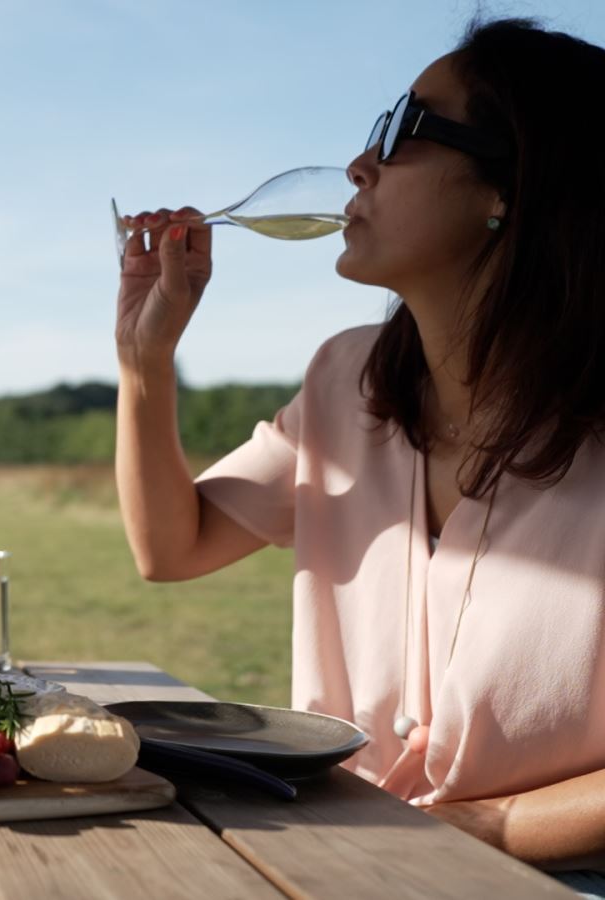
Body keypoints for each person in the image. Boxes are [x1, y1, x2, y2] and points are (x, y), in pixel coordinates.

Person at [114, 17, 605, 885]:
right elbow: (171, 546)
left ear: (513, 187)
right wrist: (144, 360)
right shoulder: (347, 381)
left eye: (404, 131)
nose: (358, 164)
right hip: (345, 861)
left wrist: (489, 829)